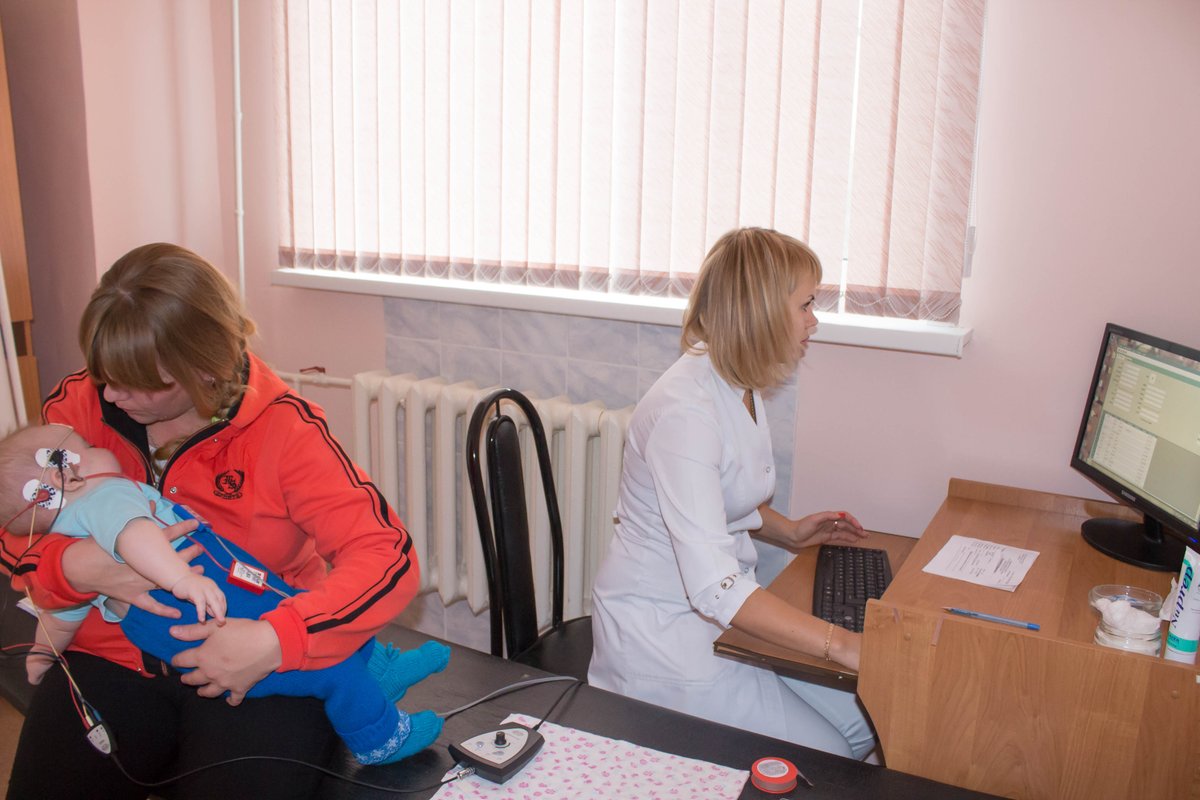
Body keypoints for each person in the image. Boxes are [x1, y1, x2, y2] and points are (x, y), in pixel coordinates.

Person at [0, 243, 423, 798]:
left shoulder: (284, 430)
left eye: (138, 381)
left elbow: (386, 556)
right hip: (109, 655)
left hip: (256, 663)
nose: (112, 395)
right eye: (105, 373)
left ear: (204, 367)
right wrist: (76, 566)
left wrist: (276, 639)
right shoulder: (76, 406)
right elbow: (14, 521)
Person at [589, 227, 878, 760]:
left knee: (869, 723)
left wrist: (790, 532)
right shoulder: (686, 414)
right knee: (833, 755)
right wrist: (843, 644)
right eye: (806, 305)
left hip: (718, 613)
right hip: (666, 635)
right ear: (762, 313)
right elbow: (714, 588)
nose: (814, 320)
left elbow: (720, 498)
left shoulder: (739, 381)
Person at [0, 423, 448, 766]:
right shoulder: (104, 498)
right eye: (86, 444)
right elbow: (137, 536)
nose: (100, 445)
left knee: (304, 608)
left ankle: (380, 671)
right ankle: (379, 737)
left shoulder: (67, 527)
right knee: (324, 664)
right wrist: (182, 580)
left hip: (194, 606)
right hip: (199, 609)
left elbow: (62, 612)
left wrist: (42, 654)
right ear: (67, 471)